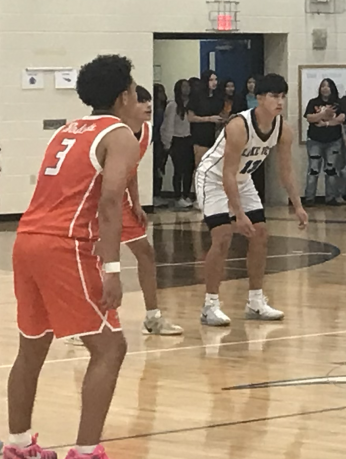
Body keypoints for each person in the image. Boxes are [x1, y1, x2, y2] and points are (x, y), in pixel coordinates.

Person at [4, 54, 144, 459]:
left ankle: (18, 445)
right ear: (123, 95)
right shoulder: (119, 133)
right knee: (110, 348)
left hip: (25, 240)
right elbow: (108, 201)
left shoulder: (68, 128)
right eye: (137, 92)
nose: (139, 100)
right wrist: (113, 266)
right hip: (65, 247)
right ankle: (85, 456)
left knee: (31, 348)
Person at [197, 74, 309, 328]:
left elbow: (286, 170)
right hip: (213, 179)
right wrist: (238, 213)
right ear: (259, 98)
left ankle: (256, 301)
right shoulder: (239, 126)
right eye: (273, 96)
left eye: (282, 96)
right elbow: (226, 173)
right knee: (223, 236)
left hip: (243, 179)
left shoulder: (283, 129)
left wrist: (298, 205)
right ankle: (210, 305)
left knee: (260, 233)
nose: (279, 101)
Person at [117, 87, 182, 337]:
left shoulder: (145, 131)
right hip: (94, 203)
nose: (147, 106)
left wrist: (136, 202)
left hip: (120, 201)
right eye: (141, 101)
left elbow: (130, 170)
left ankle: (153, 318)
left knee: (145, 252)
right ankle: (86, 324)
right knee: (97, 262)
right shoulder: (111, 131)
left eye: (148, 101)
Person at [303, 78, 343, 204]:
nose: (325, 88)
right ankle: (309, 198)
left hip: (333, 141)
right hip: (315, 140)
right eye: (322, 86)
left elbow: (341, 119)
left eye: (327, 86)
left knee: (331, 170)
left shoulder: (337, 104)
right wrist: (324, 114)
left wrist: (324, 123)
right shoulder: (313, 102)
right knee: (313, 170)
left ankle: (330, 197)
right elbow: (309, 118)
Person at [161, 78, 195, 208]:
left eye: (188, 86)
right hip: (177, 140)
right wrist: (167, 142)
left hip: (189, 139)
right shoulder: (173, 105)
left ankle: (186, 195)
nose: (187, 89)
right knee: (179, 170)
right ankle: (177, 196)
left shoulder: (192, 104)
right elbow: (168, 125)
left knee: (189, 169)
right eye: (184, 86)